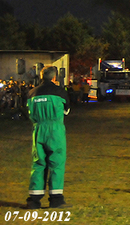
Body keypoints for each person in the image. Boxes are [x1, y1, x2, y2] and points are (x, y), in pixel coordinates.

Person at [25, 66, 70, 209]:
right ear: (55, 77)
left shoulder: (32, 93)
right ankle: (56, 199)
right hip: (55, 130)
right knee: (56, 162)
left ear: (41, 76)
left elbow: (27, 112)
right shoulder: (60, 92)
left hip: (38, 129)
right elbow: (66, 110)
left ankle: (34, 200)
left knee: (38, 163)